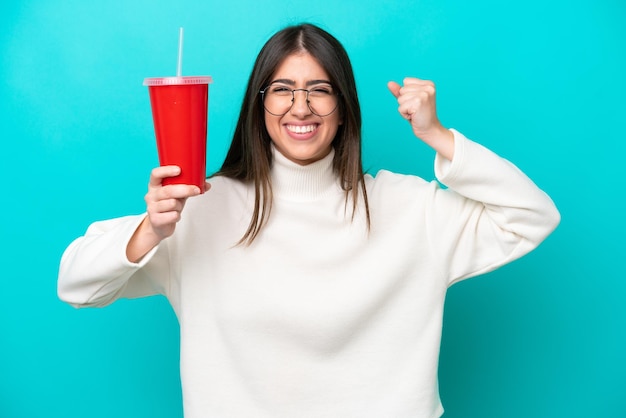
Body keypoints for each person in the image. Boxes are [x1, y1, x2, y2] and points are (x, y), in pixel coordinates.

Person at [58, 23, 560, 418]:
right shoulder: (198, 210)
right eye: (282, 89)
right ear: (260, 107)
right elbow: (75, 284)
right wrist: (150, 230)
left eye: (320, 89)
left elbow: (532, 216)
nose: (301, 106)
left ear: (343, 109)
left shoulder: (411, 209)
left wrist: (438, 135)